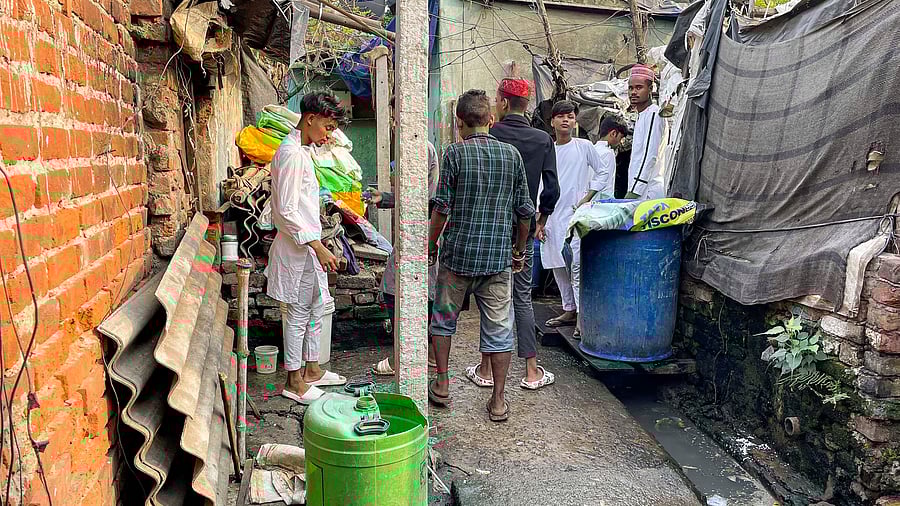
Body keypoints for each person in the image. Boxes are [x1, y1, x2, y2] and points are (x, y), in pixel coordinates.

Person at [428, 89, 534, 422]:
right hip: (497, 261)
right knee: (500, 329)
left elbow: (442, 208)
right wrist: (518, 251)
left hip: (457, 258)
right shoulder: (512, 156)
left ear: (459, 122)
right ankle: (498, 401)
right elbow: (525, 212)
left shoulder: (454, 154)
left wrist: (430, 243)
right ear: (490, 119)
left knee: (444, 319)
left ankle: (443, 383)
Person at [463, 77, 558, 390]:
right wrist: (541, 219)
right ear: (526, 104)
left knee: (490, 298)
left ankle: (486, 369)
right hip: (524, 229)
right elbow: (552, 189)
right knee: (522, 297)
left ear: (502, 103)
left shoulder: (491, 133)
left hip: (490, 229)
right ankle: (531, 370)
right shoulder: (543, 139)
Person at [266, 91, 349, 405]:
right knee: (299, 315)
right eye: (326, 127)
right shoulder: (290, 154)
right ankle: (294, 381)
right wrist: (318, 246)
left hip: (307, 248)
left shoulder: (302, 151)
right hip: (297, 250)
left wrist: (318, 242)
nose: (327, 134)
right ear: (310, 119)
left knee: (316, 307)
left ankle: (312, 370)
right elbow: (285, 211)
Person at [368, 139, 440, 376]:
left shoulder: (419, 146)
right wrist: (386, 198)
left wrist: (390, 196)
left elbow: (418, 196)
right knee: (415, 288)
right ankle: (423, 353)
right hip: (423, 225)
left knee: (394, 289)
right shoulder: (415, 145)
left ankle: (405, 356)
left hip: (423, 227)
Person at [541, 100, 606, 338]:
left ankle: (582, 317)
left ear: (575, 121)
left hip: (576, 215)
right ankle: (569, 308)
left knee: (576, 265)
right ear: (553, 121)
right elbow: (541, 183)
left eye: (570, 116)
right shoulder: (547, 149)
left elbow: (603, 172)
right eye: (561, 116)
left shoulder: (584, 146)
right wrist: (540, 218)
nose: (566, 120)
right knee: (557, 264)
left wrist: (587, 197)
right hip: (551, 215)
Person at [626, 64, 666, 200]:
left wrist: (634, 191)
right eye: (631, 88)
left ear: (650, 89)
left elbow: (650, 156)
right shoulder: (641, 115)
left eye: (639, 87)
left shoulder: (654, 114)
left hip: (648, 191)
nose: (633, 92)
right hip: (640, 189)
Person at [576, 116, 629, 207]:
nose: (620, 142)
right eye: (621, 138)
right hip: (599, 204)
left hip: (584, 202)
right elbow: (605, 186)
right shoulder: (608, 153)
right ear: (613, 133)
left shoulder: (592, 150)